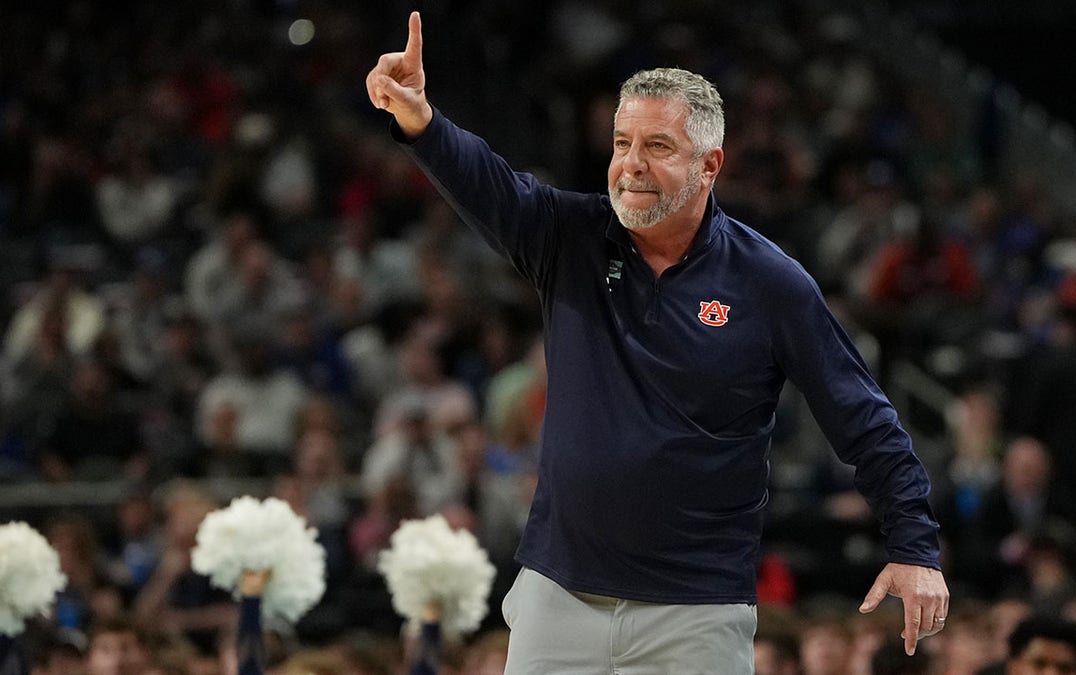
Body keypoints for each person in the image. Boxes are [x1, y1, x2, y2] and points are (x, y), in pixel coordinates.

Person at [366, 13, 948, 673]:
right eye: (622, 142)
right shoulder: (571, 239)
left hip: (696, 611)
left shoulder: (769, 282)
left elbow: (865, 419)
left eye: (658, 146)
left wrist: (914, 546)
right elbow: (489, 183)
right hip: (559, 595)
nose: (631, 164)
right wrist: (421, 120)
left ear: (710, 165)